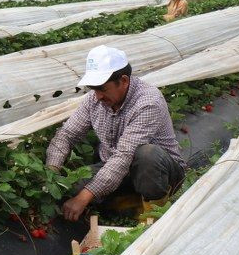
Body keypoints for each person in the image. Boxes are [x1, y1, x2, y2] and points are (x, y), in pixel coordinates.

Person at [46, 45, 185, 222]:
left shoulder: (148, 102)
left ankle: (154, 215)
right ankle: (129, 201)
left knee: (147, 155)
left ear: (124, 81)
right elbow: (67, 134)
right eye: (93, 89)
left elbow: (124, 156)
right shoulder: (94, 99)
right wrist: (52, 173)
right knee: (69, 188)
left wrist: (83, 197)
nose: (97, 96)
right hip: (117, 169)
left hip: (160, 173)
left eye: (103, 89)